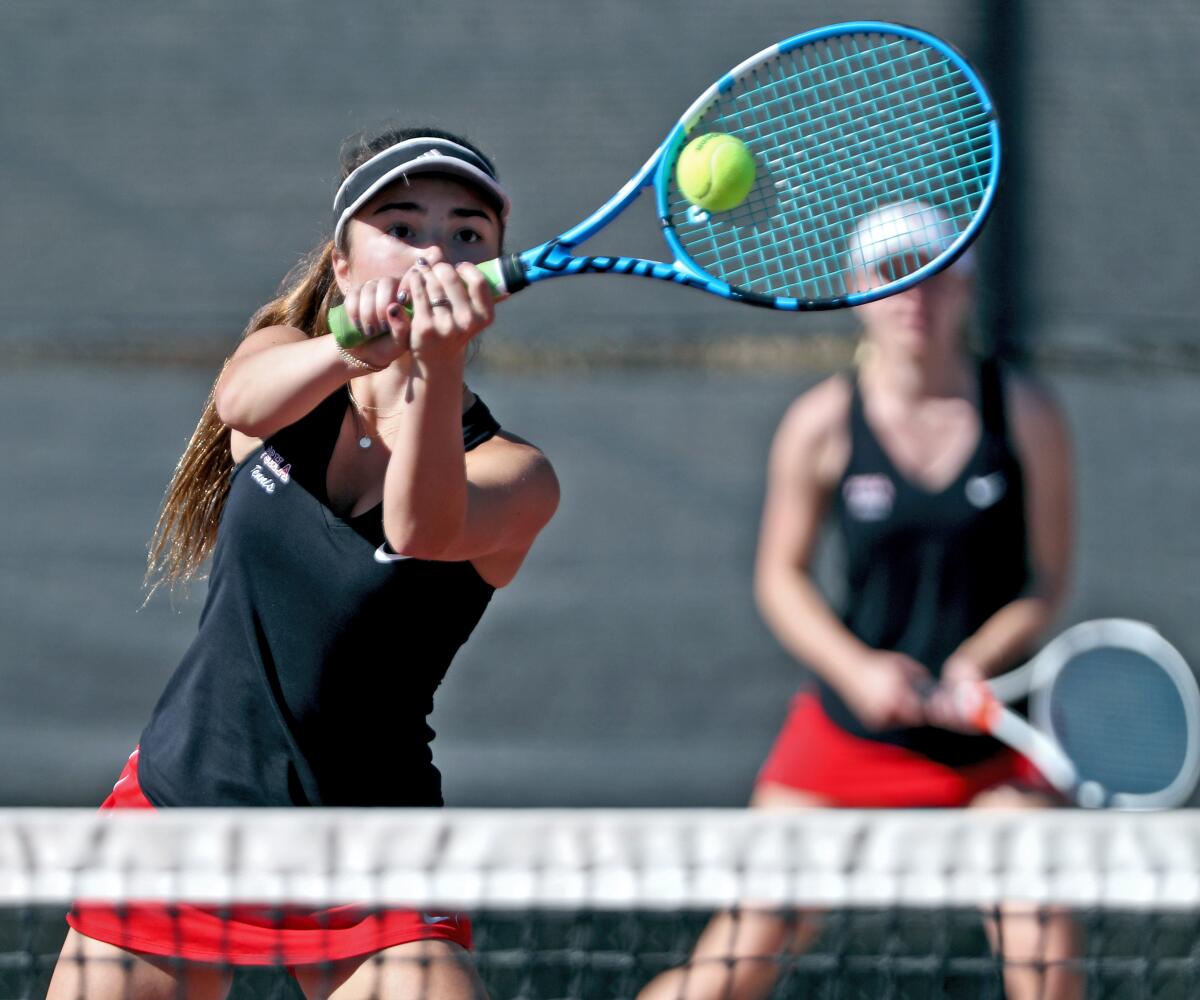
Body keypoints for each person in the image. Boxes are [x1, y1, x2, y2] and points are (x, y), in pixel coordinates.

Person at [47, 126, 560, 1000]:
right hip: (183, 817)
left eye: (466, 233)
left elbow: (423, 525)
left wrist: (432, 372)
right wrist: (352, 344)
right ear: (342, 264)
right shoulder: (278, 372)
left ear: (490, 282)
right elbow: (237, 401)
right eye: (402, 226)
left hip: (370, 859)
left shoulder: (518, 474)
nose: (435, 251)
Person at [638, 202, 1077, 1000]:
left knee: (1048, 964)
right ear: (856, 291)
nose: (916, 294)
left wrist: (979, 661)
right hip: (849, 732)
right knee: (725, 974)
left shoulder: (1026, 414)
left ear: (967, 287)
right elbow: (780, 577)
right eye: (891, 273)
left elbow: (1044, 582)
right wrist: (859, 671)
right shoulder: (820, 424)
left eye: (937, 273)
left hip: (988, 741)